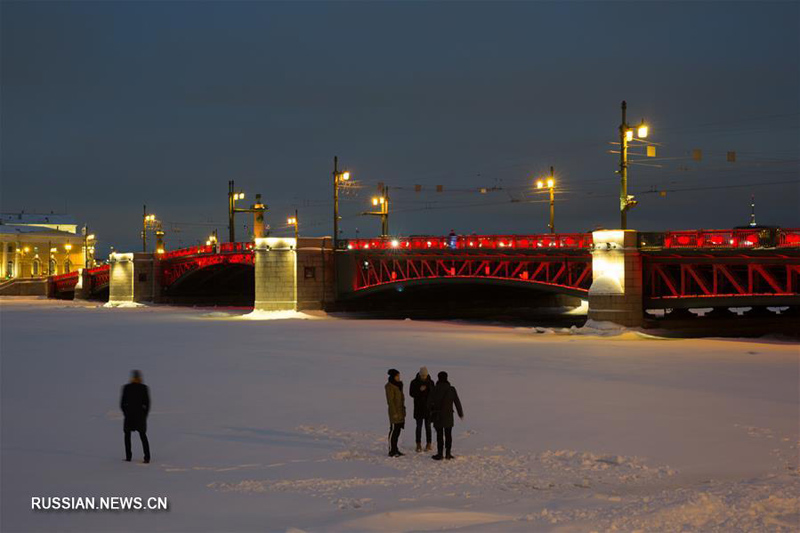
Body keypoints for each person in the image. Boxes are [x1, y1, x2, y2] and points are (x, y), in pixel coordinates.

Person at [428, 371, 464, 461]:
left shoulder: (434, 389)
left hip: (438, 415)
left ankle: (440, 454)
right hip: (448, 415)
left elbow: (428, 403)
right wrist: (460, 413)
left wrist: (431, 410)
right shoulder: (451, 389)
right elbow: (457, 402)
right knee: (448, 434)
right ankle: (448, 453)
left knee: (439, 435)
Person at [120, 370, 151, 463]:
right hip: (140, 416)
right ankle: (147, 457)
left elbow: (122, 404)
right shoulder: (144, 388)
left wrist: (126, 412)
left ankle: (128, 457)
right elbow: (147, 404)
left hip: (129, 415)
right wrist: (144, 414)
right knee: (142, 436)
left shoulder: (126, 388)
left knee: (127, 436)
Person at [409, 366, 435, 452]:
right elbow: (411, 393)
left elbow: (433, 395)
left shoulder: (431, 382)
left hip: (428, 409)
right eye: (422, 375)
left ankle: (428, 444)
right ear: (419, 374)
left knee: (428, 427)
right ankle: (418, 444)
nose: (424, 377)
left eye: (425, 375)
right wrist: (419, 390)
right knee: (419, 427)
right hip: (418, 408)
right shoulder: (414, 382)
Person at [385, 368, 406, 457]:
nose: (399, 377)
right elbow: (390, 401)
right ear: (393, 376)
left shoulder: (399, 385)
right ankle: (391, 450)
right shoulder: (389, 386)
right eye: (397, 376)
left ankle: (395, 449)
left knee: (397, 431)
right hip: (395, 413)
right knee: (393, 430)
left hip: (400, 411)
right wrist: (394, 413)